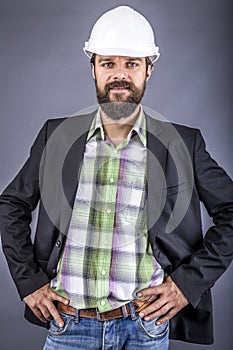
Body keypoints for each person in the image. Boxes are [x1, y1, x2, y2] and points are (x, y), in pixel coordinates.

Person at [0, 5, 232, 350]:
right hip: (69, 327)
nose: (119, 74)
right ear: (93, 68)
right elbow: (11, 205)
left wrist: (186, 285)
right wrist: (29, 282)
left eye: (132, 63)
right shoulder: (57, 136)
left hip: (146, 327)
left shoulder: (183, 144)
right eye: (108, 63)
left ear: (148, 70)